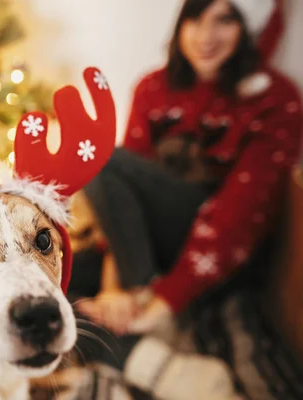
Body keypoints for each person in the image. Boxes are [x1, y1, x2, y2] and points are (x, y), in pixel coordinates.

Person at [69, 0, 302, 343]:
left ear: (247, 29)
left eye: (224, 20)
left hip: (220, 258)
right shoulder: (152, 87)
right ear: (181, 25)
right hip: (152, 254)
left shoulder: (275, 100)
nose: (206, 36)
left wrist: (160, 305)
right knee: (64, 280)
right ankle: (131, 308)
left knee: (102, 158)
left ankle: (143, 320)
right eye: (195, 19)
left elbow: (236, 220)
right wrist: (113, 288)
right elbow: (118, 201)